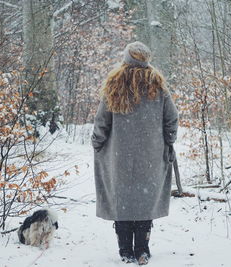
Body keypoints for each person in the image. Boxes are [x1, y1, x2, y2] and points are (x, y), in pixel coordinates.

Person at [91, 41, 178, 265]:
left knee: (122, 202)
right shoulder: (158, 86)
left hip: (118, 156)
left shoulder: (114, 84)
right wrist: (168, 142)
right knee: (144, 200)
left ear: (126, 58)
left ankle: (125, 251)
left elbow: (102, 122)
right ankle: (142, 250)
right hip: (150, 155)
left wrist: (97, 144)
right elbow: (171, 119)